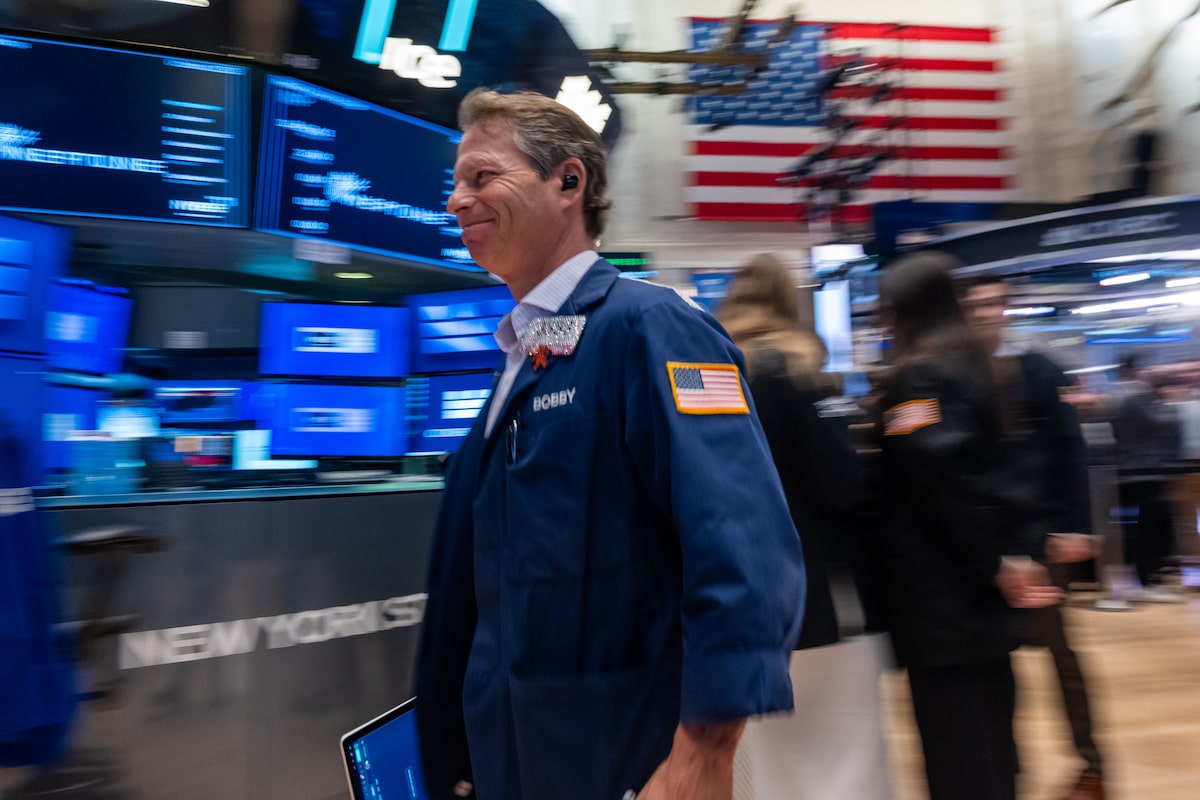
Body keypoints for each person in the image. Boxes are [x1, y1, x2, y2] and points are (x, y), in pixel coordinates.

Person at [414, 88, 807, 800]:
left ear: (568, 181)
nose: (455, 201)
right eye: (455, 183)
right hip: (518, 754)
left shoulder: (653, 328)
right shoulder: (527, 354)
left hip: (624, 756)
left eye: (481, 176)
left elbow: (744, 547)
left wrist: (704, 753)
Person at [874, 251, 1060, 800]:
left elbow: (937, 480)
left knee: (957, 751)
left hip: (942, 596)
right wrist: (1014, 555)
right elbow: (1012, 470)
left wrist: (994, 562)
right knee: (993, 738)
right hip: (984, 600)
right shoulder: (984, 366)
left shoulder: (916, 378)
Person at [717, 254, 892, 800]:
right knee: (843, 750)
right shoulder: (797, 370)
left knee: (769, 756)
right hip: (820, 594)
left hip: (741, 597)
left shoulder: (714, 372)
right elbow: (841, 482)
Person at [963, 276, 1107, 800]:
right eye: (978, 304)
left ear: (1008, 309)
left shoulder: (1040, 370)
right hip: (987, 543)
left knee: (1059, 654)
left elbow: (1070, 450)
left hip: (1040, 538)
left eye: (996, 303)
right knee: (995, 660)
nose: (988, 312)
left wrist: (1076, 526)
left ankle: (1091, 765)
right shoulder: (959, 374)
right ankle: (1006, 769)